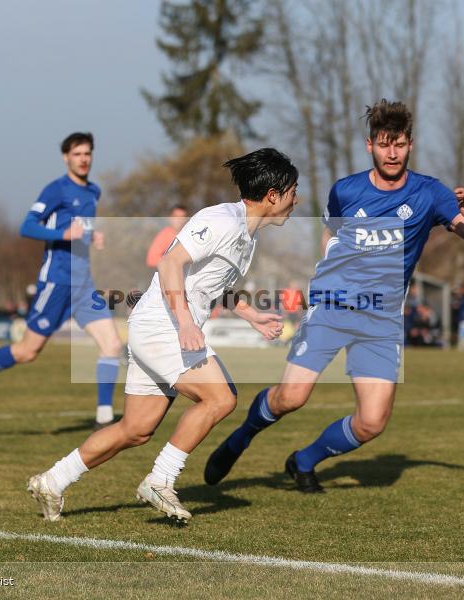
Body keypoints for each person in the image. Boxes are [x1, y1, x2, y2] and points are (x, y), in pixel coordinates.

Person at [204, 100, 464, 493]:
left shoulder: (431, 193)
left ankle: (304, 460)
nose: (392, 153)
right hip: (332, 306)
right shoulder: (346, 190)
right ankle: (242, 436)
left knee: (372, 423)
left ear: (411, 145)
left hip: (382, 319)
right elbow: (330, 233)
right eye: (385, 144)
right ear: (370, 144)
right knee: (292, 397)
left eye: (400, 144)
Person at [26, 148, 299, 523]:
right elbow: (170, 262)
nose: (296, 200)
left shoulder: (247, 236)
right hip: (162, 326)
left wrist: (251, 315)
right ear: (273, 195)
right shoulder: (221, 219)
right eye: (293, 191)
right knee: (221, 398)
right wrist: (185, 321)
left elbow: (211, 284)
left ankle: (52, 480)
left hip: (160, 327)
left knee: (135, 430)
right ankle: (160, 480)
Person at [0, 132, 124, 427]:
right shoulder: (56, 190)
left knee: (112, 345)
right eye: (77, 154)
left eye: (87, 153)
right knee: (27, 352)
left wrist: (93, 237)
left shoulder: (94, 191)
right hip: (55, 283)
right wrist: (63, 235)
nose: (83, 159)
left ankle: (104, 418)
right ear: (66, 157)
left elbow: (80, 230)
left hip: (83, 286)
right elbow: (27, 226)